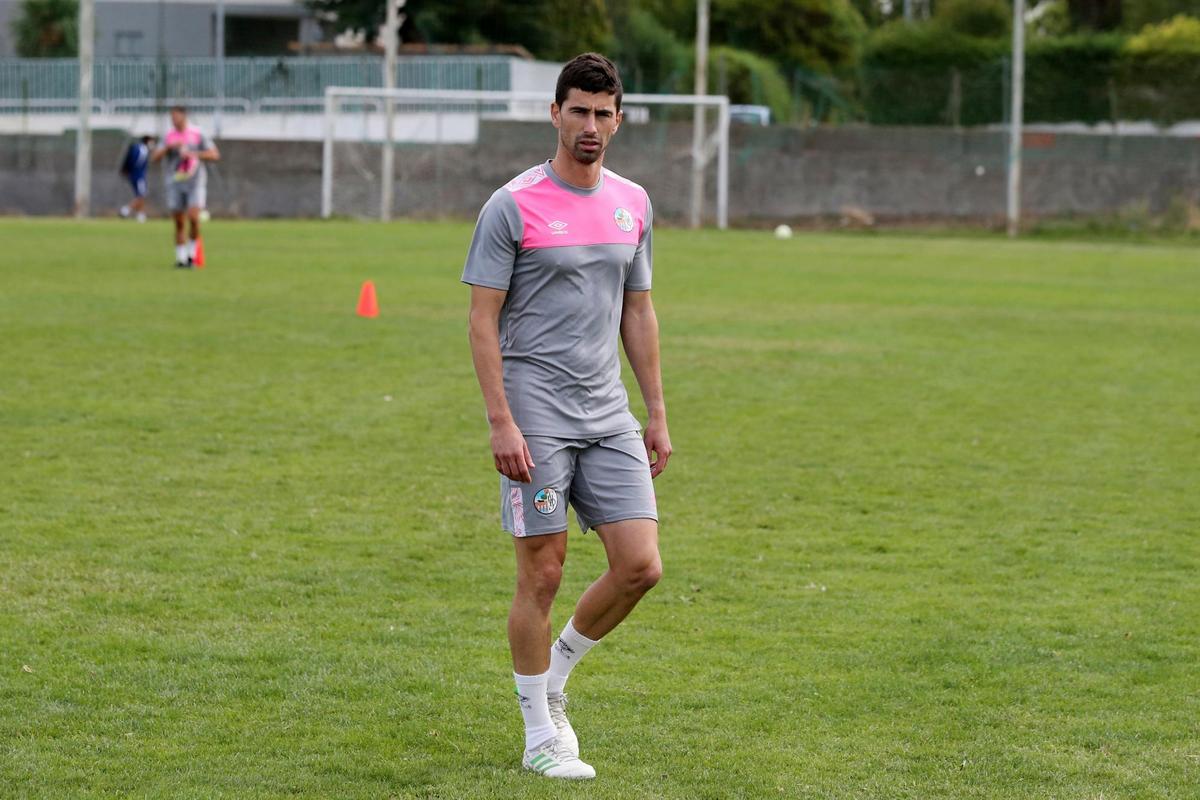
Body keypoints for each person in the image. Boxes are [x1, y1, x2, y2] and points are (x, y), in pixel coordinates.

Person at [462, 52, 672, 781]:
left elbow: (637, 312)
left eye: (603, 113)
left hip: (608, 413)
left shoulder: (633, 203)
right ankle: (538, 735)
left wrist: (656, 413)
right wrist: (501, 422)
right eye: (577, 111)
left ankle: (553, 677)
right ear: (555, 114)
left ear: (619, 118)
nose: (590, 125)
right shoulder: (512, 205)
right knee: (543, 574)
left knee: (640, 566)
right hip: (536, 417)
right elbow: (482, 322)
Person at [150, 106, 219, 268]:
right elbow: (155, 157)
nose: (173, 119)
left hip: (195, 183)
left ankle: (192, 256)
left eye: (176, 116)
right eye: (171, 117)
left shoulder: (197, 133)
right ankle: (181, 259)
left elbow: (214, 154)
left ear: (184, 116)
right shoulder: (168, 135)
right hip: (174, 183)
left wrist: (194, 154)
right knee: (179, 222)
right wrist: (169, 147)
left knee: (194, 218)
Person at [118, 135, 156, 222]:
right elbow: (136, 162)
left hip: (135, 175)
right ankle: (125, 210)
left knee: (140, 195)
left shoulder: (137, 147)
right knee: (142, 195)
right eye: (152, 142)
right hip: (139, 176)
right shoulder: (142, 150)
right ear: (148, 141)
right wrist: (130, 170)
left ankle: (141, 215)